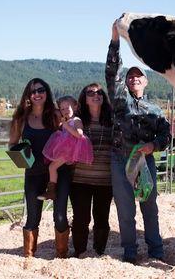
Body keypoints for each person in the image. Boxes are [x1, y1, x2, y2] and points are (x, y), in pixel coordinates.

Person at [106, 20, 171, 263]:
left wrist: (153, 146)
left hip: (145, 162)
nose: (133, 79)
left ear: (146, 81)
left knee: (149, 207)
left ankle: (156, 251)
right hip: (120, 159)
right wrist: (115, 41)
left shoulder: (155, 109)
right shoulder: (119, 100)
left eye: (138, 76)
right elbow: (112, 71)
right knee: (125, 210)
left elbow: (166, 135)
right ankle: (130, 252)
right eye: (130, 76)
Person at [8, 78, 73, 258]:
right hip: (33, 173)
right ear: (28, 95)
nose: (37, 94)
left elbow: (70, 135)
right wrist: (21, 158)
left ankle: (61, 256)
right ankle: (28, 257)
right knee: (32, 217)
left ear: (47, 92)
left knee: (60, 217)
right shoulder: (20, 118)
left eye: (40, 90)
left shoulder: (56, 115)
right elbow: (12, 144)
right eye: (33, 91)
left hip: (59, 173)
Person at [70, 83, 113, 257]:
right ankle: (80, 251)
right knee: (81, 218)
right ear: (84, 98)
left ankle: (99, 251)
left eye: (99, 92)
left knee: (102, 218)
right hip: (80, 179)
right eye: (91, 93)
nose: (96, 95)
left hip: (105, 179)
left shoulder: (112, 121)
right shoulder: (78, 121)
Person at [39, 96, 93, 201]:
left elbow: (79, 134)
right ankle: (52, 189)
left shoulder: (76, 120)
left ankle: (51, 191)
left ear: (75, 107)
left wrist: (67, 126)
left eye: (67, 107)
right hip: (66, 149)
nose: (65, 111)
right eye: (62, 109)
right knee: (52, 166)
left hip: (69, 150)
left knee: (52, 167)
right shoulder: (67, 121)